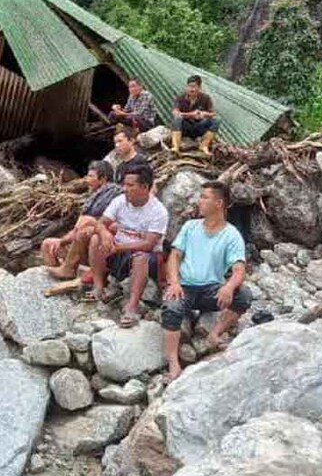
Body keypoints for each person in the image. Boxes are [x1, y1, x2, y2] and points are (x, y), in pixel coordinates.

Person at [161, 181, 251, 380]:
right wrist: (174, 282)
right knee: (171, 307)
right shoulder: (190, 226)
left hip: (211, 290)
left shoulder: (231, 234)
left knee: (243, 295)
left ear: (218, 203)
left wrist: (228, 287)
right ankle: (173, 363)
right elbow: (174, 256)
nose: (199, 201)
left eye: (204, 197)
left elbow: (239, 269)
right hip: (184, 287)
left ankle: (215, 334)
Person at [88, 165, 169, 328]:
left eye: (130, 185)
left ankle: (132, 306)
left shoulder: (158, 211)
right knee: (96, 239)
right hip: (119, 247)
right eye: (125, 185)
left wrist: (117, 248)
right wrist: (104, 234)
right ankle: (98, 287)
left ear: (145, 187)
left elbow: (148, 244)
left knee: (141, 257)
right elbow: (101, 223)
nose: (125, 189)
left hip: (146, 255)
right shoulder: (120, 201)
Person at [41, 160, 123, 280]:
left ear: (103, 179)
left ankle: (68, 269)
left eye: (91, 176)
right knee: (48, 244)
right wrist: (62, 241)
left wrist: (88, 223)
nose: (86, 179)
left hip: (100, 246)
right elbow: (78, 227)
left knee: (85, 228)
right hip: (82, 241)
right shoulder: (94, 196)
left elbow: (94, 222)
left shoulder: (112, 193)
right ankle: (57, 282)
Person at [171, 75, 218, 155]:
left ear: (199, 88)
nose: (191, 89)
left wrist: (204, 114)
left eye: (194, 87)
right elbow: (175, 112)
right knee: (177, 119)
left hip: (198, 126)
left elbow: (212, 113)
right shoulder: (181, 97)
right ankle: (176, 146)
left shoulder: (205, 98)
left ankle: (204, 145)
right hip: (184, 127)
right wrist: (191, 114)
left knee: (216, 121)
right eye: (189, 86)